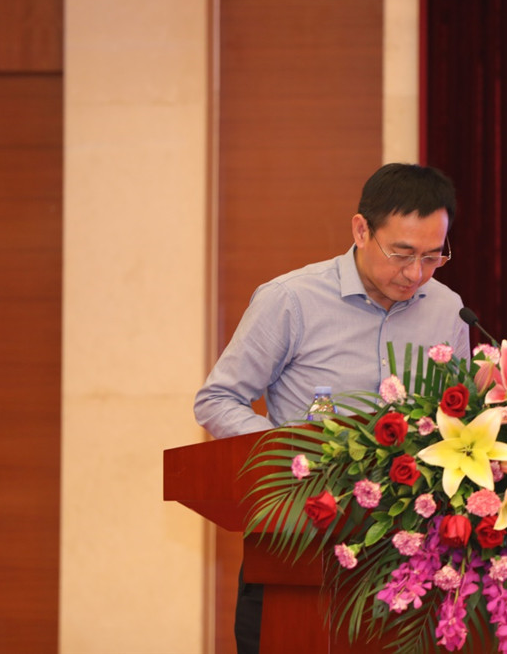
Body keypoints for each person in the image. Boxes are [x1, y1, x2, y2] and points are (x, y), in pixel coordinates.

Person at [193, 162, 471, 653]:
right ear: (361, 230)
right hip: (299, 545)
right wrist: (294, 457)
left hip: (407, 560)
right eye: (402, 253)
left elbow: (461, 420)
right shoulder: (291, 300)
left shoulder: (447, 308)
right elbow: (218, 399)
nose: (415, 273)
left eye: (432, 257)